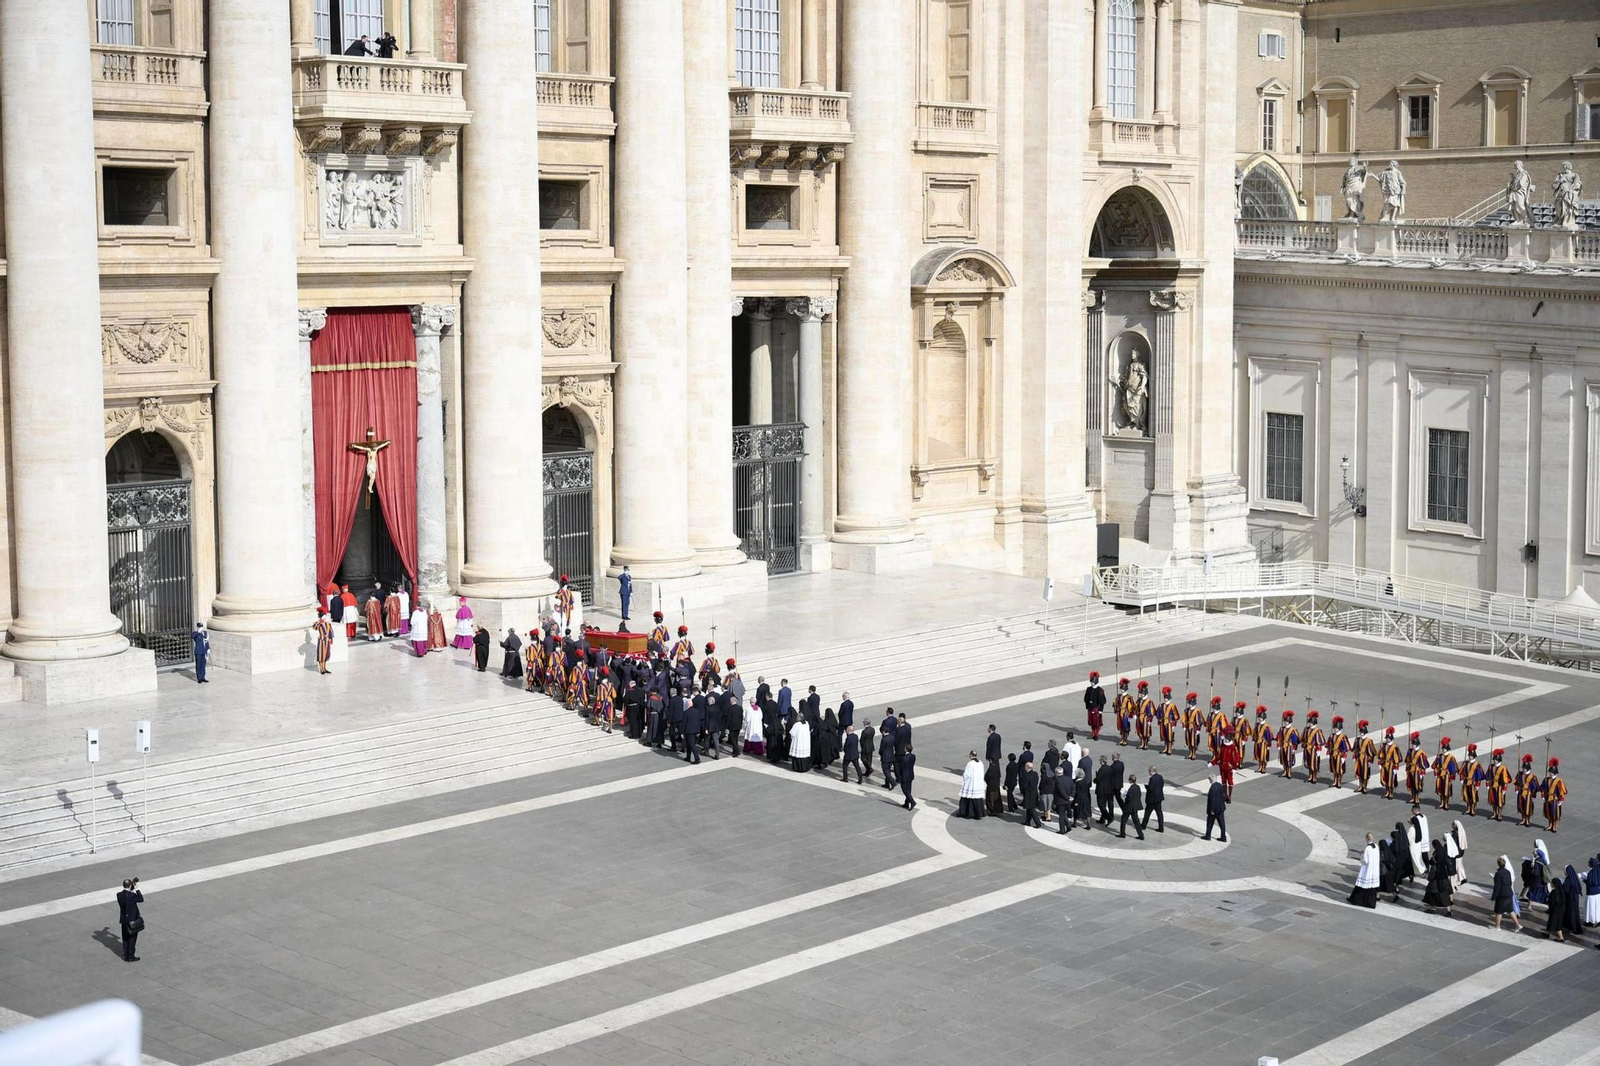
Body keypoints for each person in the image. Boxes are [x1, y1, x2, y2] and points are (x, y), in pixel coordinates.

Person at [1423, 839, 1454, 916]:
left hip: (1436, 882)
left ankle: (1432, 908)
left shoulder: (1435, 864)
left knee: (1431, 894)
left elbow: (1431, 875)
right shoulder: (1443, 857)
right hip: (1443, 881)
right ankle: (1448, 911)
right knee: (1444, 897)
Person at [1349, 833, 1380, 909]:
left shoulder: (1368, 848)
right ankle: (1371, 903)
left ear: (1366, 839)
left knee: (1361, 885)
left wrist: (1361, 855)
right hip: (1374, 869)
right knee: (1372, 888)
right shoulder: (1376, 846)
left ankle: (1355, 900)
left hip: (1367, 870)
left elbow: (1365, 860)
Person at [116, 877, 144, 962]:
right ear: (130, 885)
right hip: (132, 921)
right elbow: (141, 899)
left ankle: (125, 954)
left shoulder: (119, 895)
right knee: (132, 938)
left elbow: (127, 898)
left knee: (125, 938)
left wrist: (131, 889)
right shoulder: (132, 896)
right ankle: (131, 956)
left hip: (124, 920)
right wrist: (137, 889)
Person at [1491, 856, 1521, 931]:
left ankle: (1497, 926)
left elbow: (1497, 887)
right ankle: (1518, 925)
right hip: (1509, 893)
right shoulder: (1508, 872)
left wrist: (1494, 897)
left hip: (1502, 895)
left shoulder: (1498, 874)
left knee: (1498, 911)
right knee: (1510, 910)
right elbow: (1510, 882)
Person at [1118, 774, 1145, 840]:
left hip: (1129, 807)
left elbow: (1128, 798)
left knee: (1123, 820)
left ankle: (1122, 833)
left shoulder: (1131, 788)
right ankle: (1141, 834)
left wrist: (1125, 795)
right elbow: (1139, 795)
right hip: (1135, 806)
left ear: (1130, 780)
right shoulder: (1138, 787)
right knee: (1136, 821)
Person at [1544, 758, 1567, 832]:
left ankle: (1554, 826)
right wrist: (1542, 795)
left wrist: (1561, 800)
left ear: (1555, 773)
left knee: (1554, 813)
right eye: (1550, 772)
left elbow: (1562, 791)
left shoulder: (1559, 781)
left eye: (1551, 772)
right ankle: (1550, 825)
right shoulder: (1547, 779)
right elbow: (1543, 788)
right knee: (1548, 812)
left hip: (1555, 799)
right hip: (1548, 797)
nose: (1550, 773)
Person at [958, 753, 985, 818]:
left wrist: (964, 776)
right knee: (977, 799)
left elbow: (967, 774)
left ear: (970, 755)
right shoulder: (981, 762)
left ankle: (968, 813)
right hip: (978, 784)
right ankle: (978, 814)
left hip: (971, 784)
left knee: (968, 798)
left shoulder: (970, 764)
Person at [1545, 870, 1569, 942]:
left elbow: (1551, 902)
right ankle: (1547, 933)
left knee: (1553, 924)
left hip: (1554, 911)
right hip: (1561, 911)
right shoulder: (1562, 892)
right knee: (1557, 924)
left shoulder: (1553, 892)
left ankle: (1560, 938)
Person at [1202, 774, 1227, 842]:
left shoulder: (1212, 788)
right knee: (1222, 824)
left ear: (1211, 779)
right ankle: (1223, 837)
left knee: (1210, 823)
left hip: (1214, 809)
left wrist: (1212, 810)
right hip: (1220, 808)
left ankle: (1208, 835)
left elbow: (1212, 800)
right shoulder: (1220, 785)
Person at [1141, 766, 1165, 834]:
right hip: (1159, 798)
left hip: (1152, 799)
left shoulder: (1152, 778)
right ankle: (1161, 827)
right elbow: (1162, 785)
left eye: (1149, 770)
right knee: (1159, 813)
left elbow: (1150, 788)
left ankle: (1143, 825)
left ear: (1151, 771)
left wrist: (1146, 786)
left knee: (1147, 812)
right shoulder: (1160, 776)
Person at [1446, 819, 1469, 889]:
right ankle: (1463, 877)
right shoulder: (1461, 832)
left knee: (1456, 866)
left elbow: (1454, 843)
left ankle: (1459, 879)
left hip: (1457, 853)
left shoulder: (1455, 834)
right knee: (1460, 865)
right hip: (1461, 851)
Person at [1053, 763, 1075, 834]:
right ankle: (1068, 826)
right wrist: (1071, 796)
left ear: (1056, 773)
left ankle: (1062, 829)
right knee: (1063, 814)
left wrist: (1067, 798)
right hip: (1068, 800)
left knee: (1061, 816)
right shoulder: (1069, 778)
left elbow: (1061, 791)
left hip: (1061, 800)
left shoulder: (1058, 781)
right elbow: (1073, 788)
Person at [1084, 670, 1106, 740]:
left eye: (1093, 682)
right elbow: (1086, 698)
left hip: (1096, 708)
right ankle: (1092, 733)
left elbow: (1102, 701)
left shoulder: (1100, 690)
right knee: (1091, 722)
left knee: (1096, 723)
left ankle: (1096, 734)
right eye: (1091, 682)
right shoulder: (1088, 689)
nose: (1092, 683)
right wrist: (1087, 706)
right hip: (1090, 708)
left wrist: (1100, 710)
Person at [1020, 759, 1041, 828]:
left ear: (1027, 767)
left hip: (1028, 794)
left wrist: (1023, 790)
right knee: (1029, 808)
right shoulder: (1035, 774)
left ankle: (1038, 823)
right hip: (1034, 793)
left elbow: (1025, 786)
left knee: (1031, 809)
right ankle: (1027, 821)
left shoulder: (1026, 775)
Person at [1094, 755, 1114, 825]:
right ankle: (1102, 819)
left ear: (1102, 761)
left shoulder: (1102, 769)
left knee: (1101, 805)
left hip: (1101, 789)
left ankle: (1109, 818)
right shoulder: (1109, 768)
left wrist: (1095, 780)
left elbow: (1098, 779)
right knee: (1104, 804)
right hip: (1108, 789)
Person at [313, 610, 334, 674]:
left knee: (326, 655)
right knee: (321, 655)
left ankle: (324, 668)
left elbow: (331, 631)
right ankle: (321, 669)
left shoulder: (327, 623)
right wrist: (320, 621)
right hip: (322, 640)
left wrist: (330, 638)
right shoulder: (319, 623)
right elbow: (315, 627)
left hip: (327, 640)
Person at [899, 744, 918, 810]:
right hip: (910, 774)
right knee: (909, 789)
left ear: (906, 749)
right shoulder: (913, 756)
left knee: (905, 789)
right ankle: (906, 803)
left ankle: (912, 801)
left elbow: (901, 768)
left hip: (904, 775)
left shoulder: (904, 758)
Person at [1586, 855, 1600, 926]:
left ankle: (1592, 921)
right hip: (1597, 892)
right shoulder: (1598, 871)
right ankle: (1597, 920)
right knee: (1596, 908)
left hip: (1591, 893)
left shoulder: (1590, 873)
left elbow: (1589, 882)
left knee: (1591, 908)